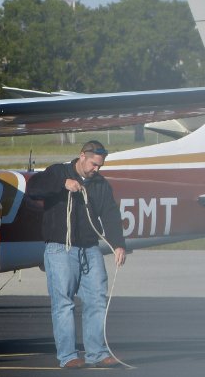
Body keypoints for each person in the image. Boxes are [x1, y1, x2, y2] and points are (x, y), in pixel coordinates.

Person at [27, 140, 126, 369]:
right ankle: (68, 356)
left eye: (100, 166)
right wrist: (63, 183)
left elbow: (110, 213)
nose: (96, 170)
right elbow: (34, 188)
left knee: (97, 299)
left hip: (90, 247)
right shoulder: (58, 171)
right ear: (82, 156)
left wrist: (118, 244)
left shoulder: (100, 184)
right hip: (60, 247)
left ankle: (97, 353)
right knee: (64, 303)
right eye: (93, 164)